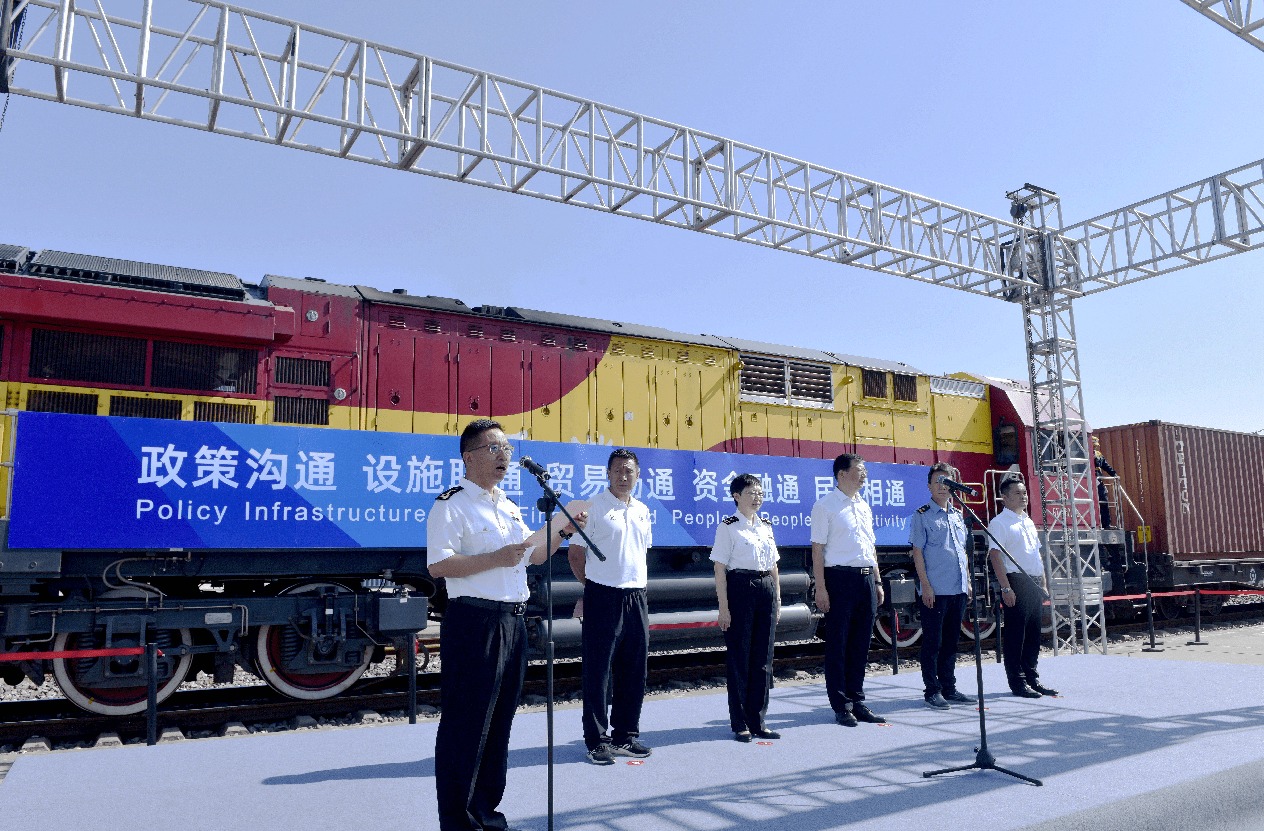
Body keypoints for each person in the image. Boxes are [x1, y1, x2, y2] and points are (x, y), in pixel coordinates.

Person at [427, 418, 587, 831]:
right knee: (466, 724)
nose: (503, 456)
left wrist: (562, 531)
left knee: (499, 724)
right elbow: (439, 563)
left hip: (513, 623)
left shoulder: (508, 505)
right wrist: (493, 559)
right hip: (474, 622)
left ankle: (486, 814)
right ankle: (459, 822)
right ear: (469, 457)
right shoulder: (451, 504)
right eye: (493, 449)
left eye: (507, 450)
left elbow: (532, 556)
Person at [568, 448, 654, 765]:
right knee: (598, 671)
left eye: (629, 470)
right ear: (607, 473)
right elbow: (575, 555)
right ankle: (596, 740)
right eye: (617, 470)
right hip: (603, 596)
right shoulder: (593, 508)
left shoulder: (643, 510)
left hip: (636, 596)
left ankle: (624, 737)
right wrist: (593, 589)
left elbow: (639, 552)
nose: (623, 476)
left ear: (637, 475)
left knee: (633, 669)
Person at [810, 453, 886, 727]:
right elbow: (817, 550)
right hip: (839, 579)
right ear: (842, 474)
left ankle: (858, 700)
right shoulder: (825, 506)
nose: (864, 474)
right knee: (838, 645)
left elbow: (870, 547)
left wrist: (877, 581)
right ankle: (841, 705)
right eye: (859, 470)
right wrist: (821, 587)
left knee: (861, 645)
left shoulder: (863, 506)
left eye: (865, 470)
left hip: (865, 580)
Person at [711, 473, 782, 742]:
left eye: (760, 493)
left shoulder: (765, 525)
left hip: (765, 588)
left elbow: (774, 564)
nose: (757, 498)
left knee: (763, 660)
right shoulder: (728, 527)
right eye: (751, 493)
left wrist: (777, 597)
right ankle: (739, 722)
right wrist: (724, 607)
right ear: (737, 496)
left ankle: (758, 720)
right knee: (740, 659)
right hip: (740, 588)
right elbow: (719, 568)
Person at [908, 462, 975, 710]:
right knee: (933, 643)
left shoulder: (958, 516)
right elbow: (917, 553)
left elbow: (962, 553)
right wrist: (925, 586)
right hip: (935, 590)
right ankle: (932, 690)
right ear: (929, 486)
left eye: (947, 481)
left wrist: (967, 581)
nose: (942, 486)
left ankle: (949, 687)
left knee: (950, 642)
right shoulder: (922, 515)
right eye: (938, 481)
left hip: (957, 589)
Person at [986, 475, 1059, 699]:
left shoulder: (1027, 521)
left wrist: (1044, 583)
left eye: (1024, 492)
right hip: (1016, 581)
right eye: (1017, 493)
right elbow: (995, 556)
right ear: (1004, 498)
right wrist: (1006, 588)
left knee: (1033, 634)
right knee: (1016, 634)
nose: (1023, 496)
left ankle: (1032, 678)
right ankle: (1017, 682)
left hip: (1034, 583)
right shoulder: (999, 523)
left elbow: (1037, 555)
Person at [1093, 437, 1118, 528]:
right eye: (1093, 446)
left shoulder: (1098, 454)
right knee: (1092, 503)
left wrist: (1114, 474)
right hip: (1088, 482)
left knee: (1104, 500)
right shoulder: (1083, 454)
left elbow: (1105, 465)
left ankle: (1106, 524)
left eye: (1095, 446)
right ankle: (1094, 524)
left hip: (1099, 481)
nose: (1094, 448)